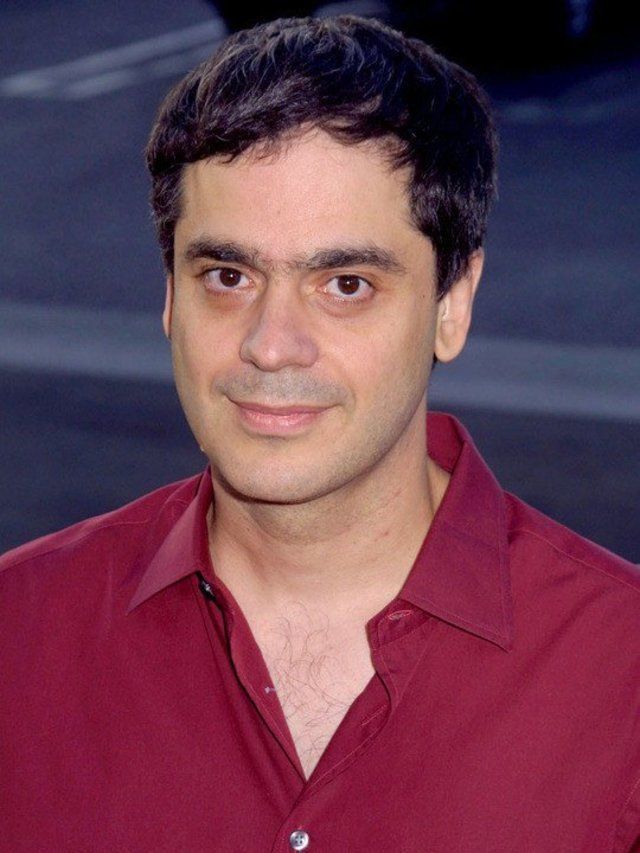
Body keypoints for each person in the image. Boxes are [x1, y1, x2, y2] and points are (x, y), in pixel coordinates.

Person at [1, 15, 638, 852]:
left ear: (452, 304)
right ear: (170, 296)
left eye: (345, 284)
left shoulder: (620, 675)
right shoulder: (19, 635)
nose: (271, 345)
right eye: (227, 275)